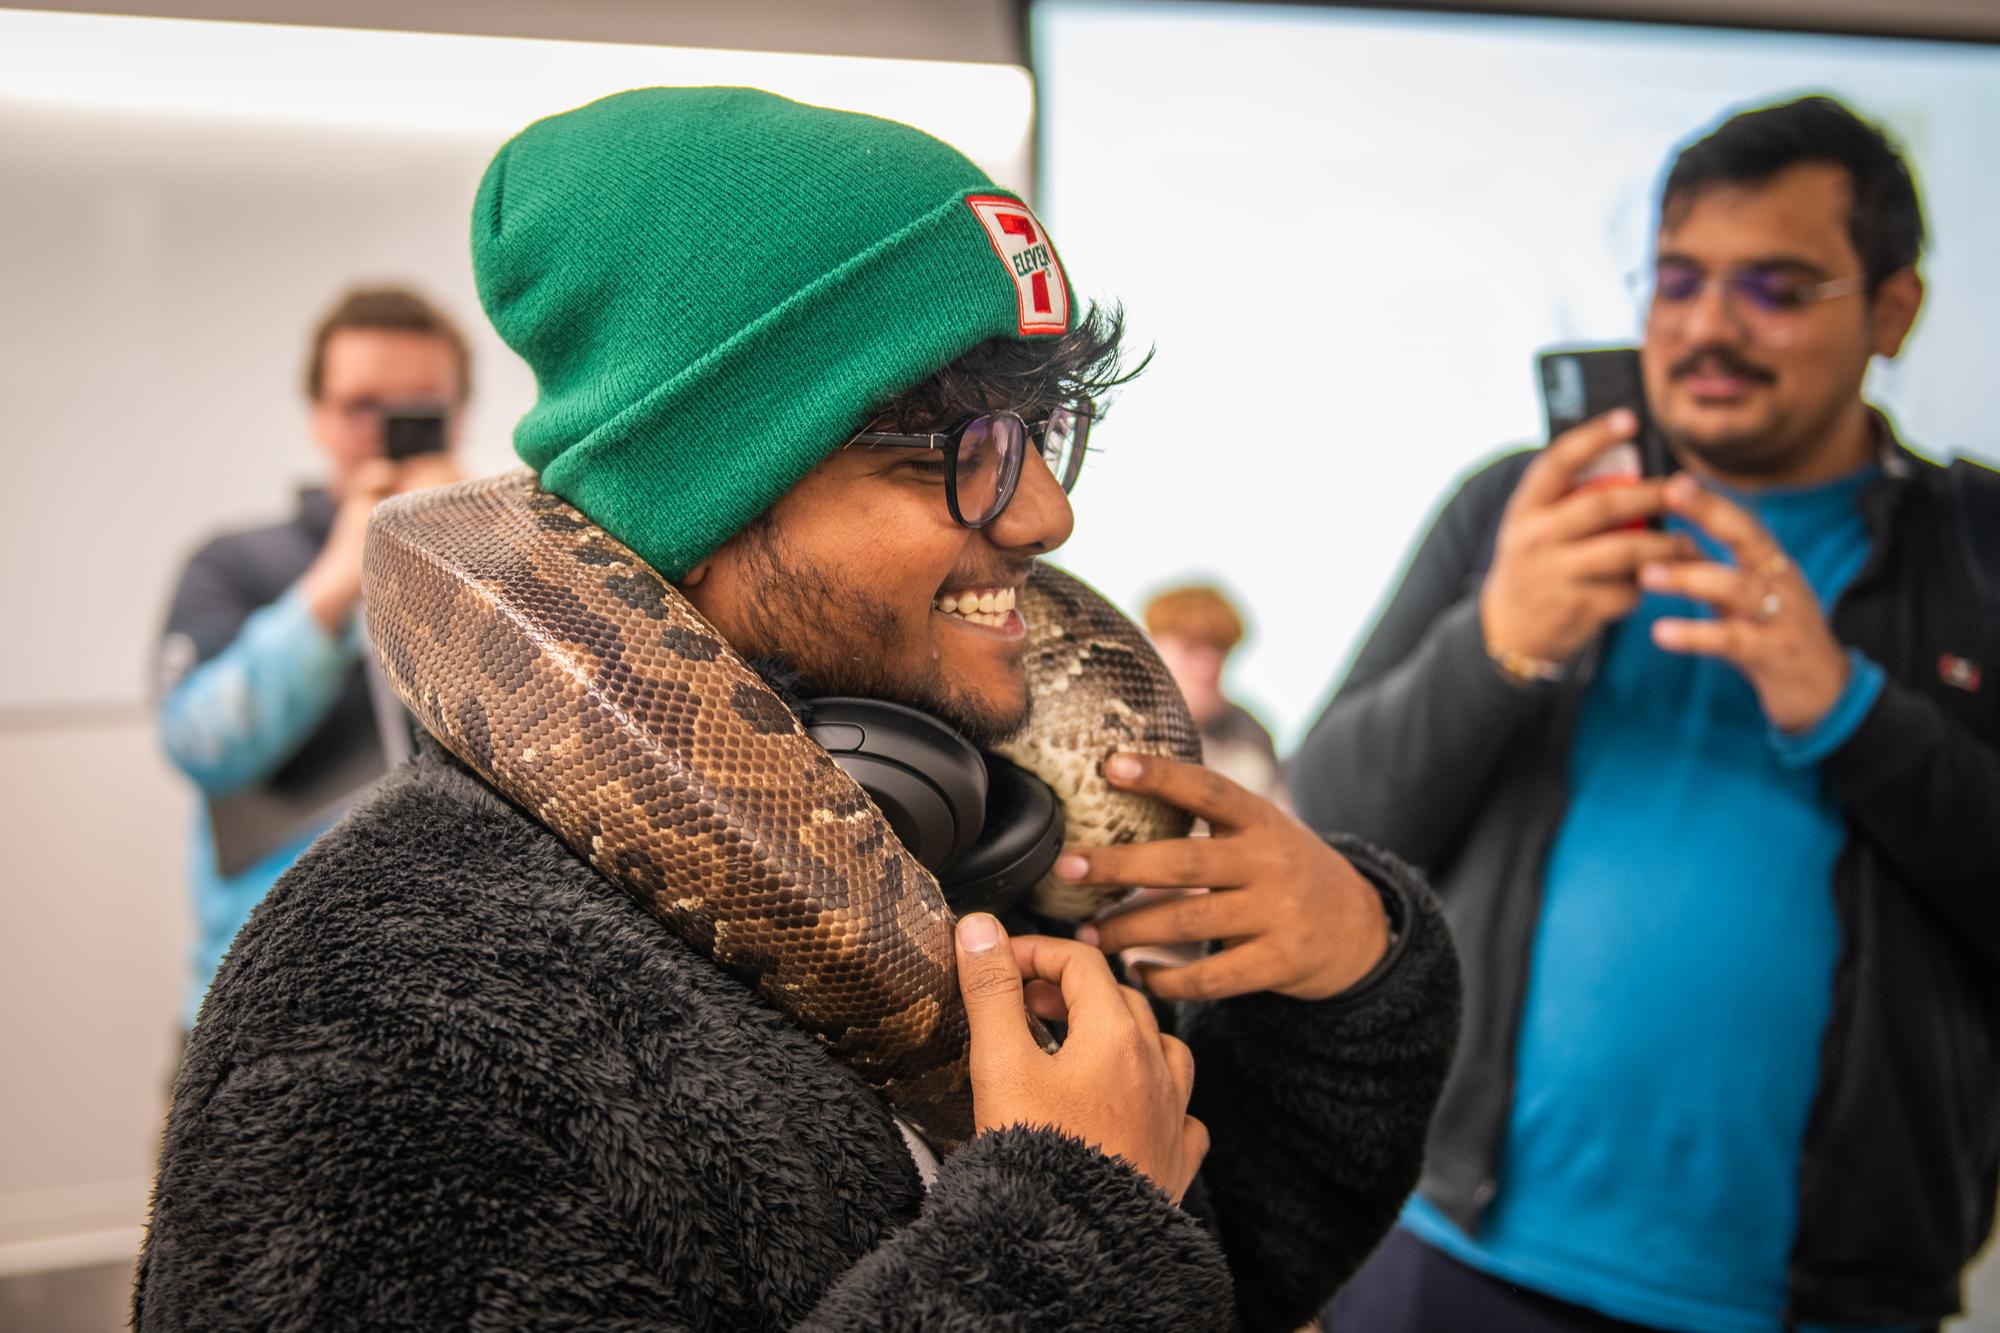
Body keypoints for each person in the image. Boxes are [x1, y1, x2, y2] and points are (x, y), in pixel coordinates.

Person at [134, 89, 1460, 1331]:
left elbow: (1227, 1261)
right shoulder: (392, 1001)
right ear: (704, 502)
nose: (1054, 517)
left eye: (1040, 436)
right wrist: (1063, 1237)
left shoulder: (972, 835)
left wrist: (1346, 984)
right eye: (956, 454)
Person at [1295, 95, 2000, 1333]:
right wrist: (1500, 640)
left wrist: (1844, 710)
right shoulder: (1514, 508)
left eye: (1774, 287)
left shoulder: (1980, 553)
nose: (1706, 328)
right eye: (1676, 280)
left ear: (1892, 311)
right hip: (1442, 1245)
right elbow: (1330, 821)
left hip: (1818, 1302)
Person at [153, 287, 469, 1028]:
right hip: (265, 1002)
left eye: (419, 410)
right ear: (319, 416)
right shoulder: (233, 564)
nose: (386, 431)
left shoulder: (494, 565)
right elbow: (201, 745)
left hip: (454, 996)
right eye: (363, 407)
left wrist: (475, 553)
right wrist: (334, 585)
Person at [1145, 583, 1284, 797]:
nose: (1207, 668)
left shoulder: (1251, 735)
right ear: (1152, 644)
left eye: (1219, 650)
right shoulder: (1114, 717)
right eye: (1190, 647)